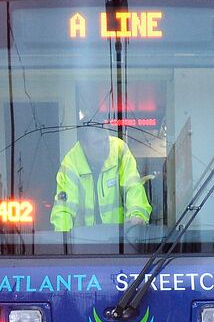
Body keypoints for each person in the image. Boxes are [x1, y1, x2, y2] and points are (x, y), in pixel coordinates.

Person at [51, 90, 152, 232]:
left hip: (120, 242)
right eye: (98, 143)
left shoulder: (119, 150)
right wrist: (63, 243)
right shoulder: (70, 164)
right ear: (83, 145)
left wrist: (137, 215)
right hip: (83, 245)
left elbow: (133, 187)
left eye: (106, 140)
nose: (105, 147)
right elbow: (64, 210)